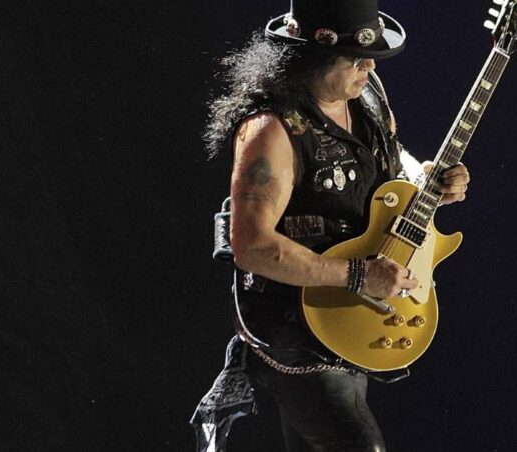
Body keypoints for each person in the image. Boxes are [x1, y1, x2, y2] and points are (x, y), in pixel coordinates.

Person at [192, 1, 470, 451]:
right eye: (356, 59)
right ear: (312, 56)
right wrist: (359, 275)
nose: (369, 67)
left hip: (353, 314)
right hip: (293, 327)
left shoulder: (366, 93)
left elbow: (389, 158)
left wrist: (427, 178)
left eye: (371, 57)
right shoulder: (270, 129)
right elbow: (253, 246)